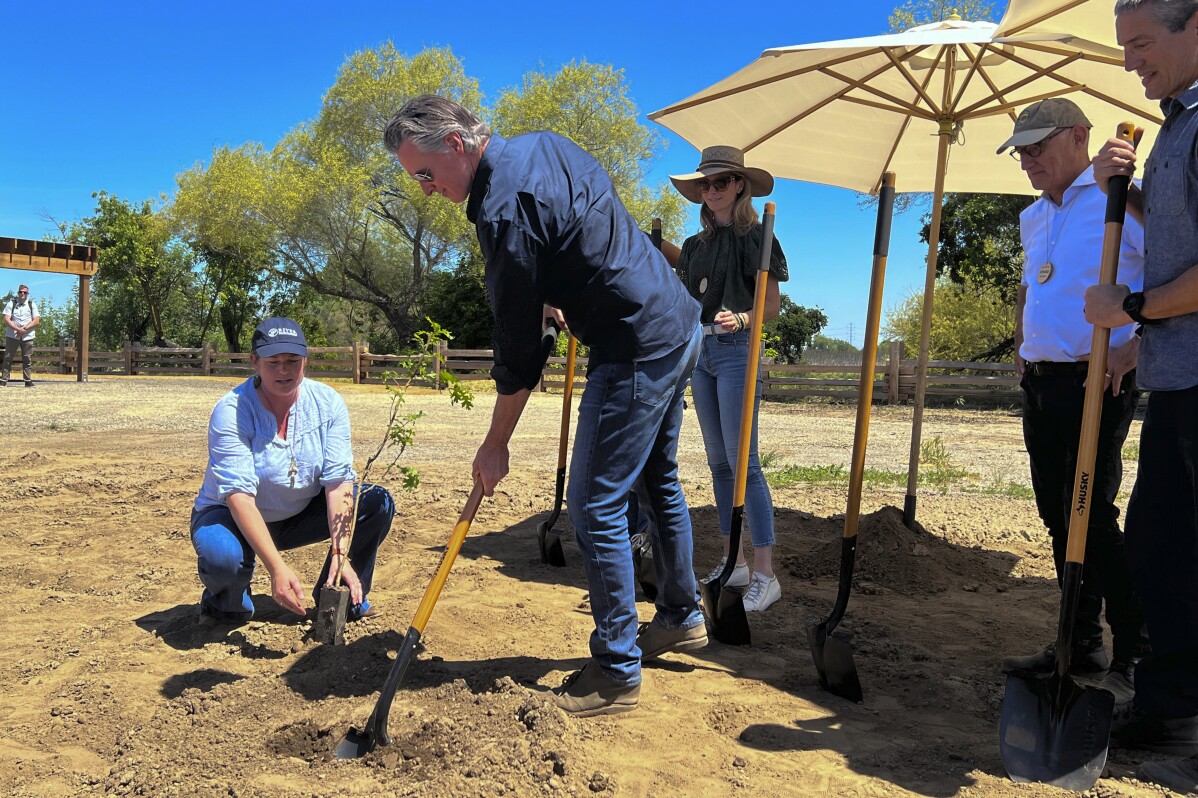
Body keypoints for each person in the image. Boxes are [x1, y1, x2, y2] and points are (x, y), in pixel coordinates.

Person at [385, 95, 706, 717]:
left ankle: (616, 670)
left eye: (424, 173)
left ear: (455, 144)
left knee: (596, 503)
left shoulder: (502, 214)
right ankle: (680, 614)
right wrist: (559, 291)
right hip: (677, 322)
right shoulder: (542, 144)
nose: (424, 189)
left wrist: (495, 443)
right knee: (657, 480)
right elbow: (586, 228)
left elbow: (517, 354)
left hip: (633, 343)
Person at [993, 99, 1150, 698]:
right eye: (1021, 152)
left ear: (1079, 137)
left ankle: (1136, 649)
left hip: (1098, 378)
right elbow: (1034, 283)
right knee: (1057, 512)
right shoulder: (1034, 217)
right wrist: (1023, 342)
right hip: (1043, 380)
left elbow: (1167, 278)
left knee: (1092, 512)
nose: (1027, 161)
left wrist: (1131, 349)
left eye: (1037, 147)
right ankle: (1078, 637)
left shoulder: (1119, 200)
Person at [1085, 0, 1198, 789]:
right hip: (1176, 373)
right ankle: (1170, 708)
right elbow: (1176, 235)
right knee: (1162, 550)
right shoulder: (1176, 127)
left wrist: (1130, 308)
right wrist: (1122, 192)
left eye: (1141, 44)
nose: (1130, 61)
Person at [190, 318, 395, 627]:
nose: (283, 371)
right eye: (273, 362)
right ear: (254, 362)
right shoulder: (232, 410)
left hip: (298, 515)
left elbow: (339, 484)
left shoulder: (327, 403)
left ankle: (342, 595)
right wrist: (276, 568)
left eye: (292, 361)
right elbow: (239, 497)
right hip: (231, 515)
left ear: (305, 361)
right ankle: (226, 606)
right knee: (224, 557)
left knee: (376, 502)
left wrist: (341, 554)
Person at [668, 146, 788, 613]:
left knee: (745, 464)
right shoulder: (696, 246)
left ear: (740, 185)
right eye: (705, 184)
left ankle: (765, 572)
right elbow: (687, 286)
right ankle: (732, 561)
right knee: (718, 463)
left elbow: (772, 307)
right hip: (703, 352)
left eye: (720, 182)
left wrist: (741, 317)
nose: (711, 190)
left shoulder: (758, 237)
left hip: (738, 351)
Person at [2, 284, 39, 388]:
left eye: (25, 292)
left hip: (28, 336)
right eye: (20, 292)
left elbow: (36, 320)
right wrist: (17, 329)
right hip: (12, 335)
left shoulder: (32, 304)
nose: (22, 294)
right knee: (8, 357)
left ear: (28, 294)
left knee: (27, 359)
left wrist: (24, 329)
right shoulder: (11, 303)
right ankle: (4, 379)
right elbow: (6, 319)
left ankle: (28, 380)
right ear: (18, 293)